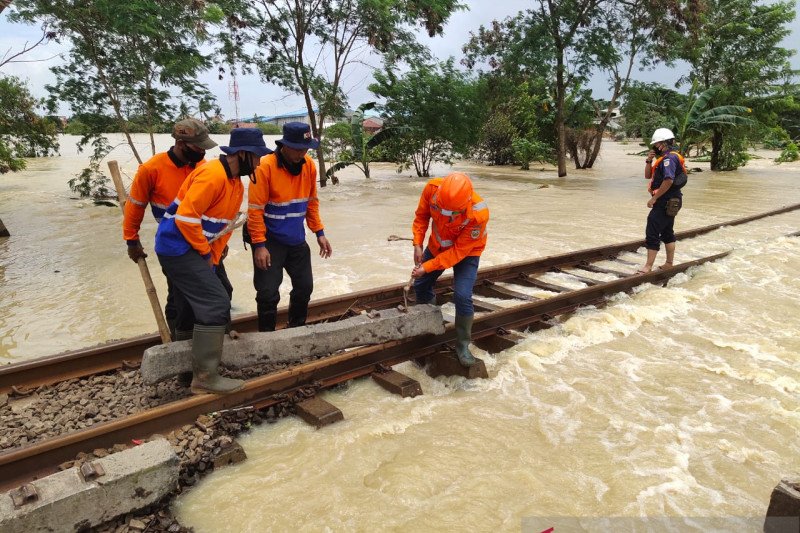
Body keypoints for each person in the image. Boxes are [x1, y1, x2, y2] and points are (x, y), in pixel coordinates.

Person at [154, 128, 271, 394]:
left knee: (187, 305)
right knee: (216, 302)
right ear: (242, 154)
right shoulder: (213, 175)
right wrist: (205, 255)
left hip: (189, 249)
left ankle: (186, 373)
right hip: (178, 247)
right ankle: (205, 378)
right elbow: (185, 218)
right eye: (256, 158)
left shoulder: (232, 183)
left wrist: (213, 259)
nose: (259, 163)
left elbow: (220, 229)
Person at [122, 118, 235, 339]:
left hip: (206, 243)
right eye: (198, 146)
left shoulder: (204, 168)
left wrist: (222, 243)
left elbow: (220, 209)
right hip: (176, 246)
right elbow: (135, 206)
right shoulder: (152, 170)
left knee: (223, 290)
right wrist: (131, 240)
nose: (203, 151)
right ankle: (180, 342)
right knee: (178, 297)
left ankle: (220, 337)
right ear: (181, 144)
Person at [246, 122, 333, 332]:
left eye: (305, 149)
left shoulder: (309, 166)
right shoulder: (264, 167)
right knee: (267, 293)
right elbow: (255, 211)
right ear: (284, 145)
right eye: (298, 149)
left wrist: (319, 232)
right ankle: (267, 336)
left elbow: (311, 202)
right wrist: (259, 245)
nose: (302, 153)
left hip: (295, 238)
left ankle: (296, 328)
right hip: (269, 241)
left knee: (305, 287)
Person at [411, 172, 489, 367]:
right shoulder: (432, 189)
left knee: (462, 296)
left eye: (451, 212)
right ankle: (430, 324)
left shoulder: (478, 214)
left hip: (467, 253)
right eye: (442, 210)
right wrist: (418, 243)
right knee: (421, 285)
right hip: (438, 246)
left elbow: (456, 254)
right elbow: (421, 217)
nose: (446, 215)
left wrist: (427, 266)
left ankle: (462, 345)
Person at [638, 127, 687, 274]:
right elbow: (648, 176)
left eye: (657, 143)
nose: (656, 146)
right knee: (667, 231)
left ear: (664, 143)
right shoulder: (664, 158)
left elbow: (668, 181)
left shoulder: (669, 159)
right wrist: (648, 160)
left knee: (652, 231)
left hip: (665, 200)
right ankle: (669, 263)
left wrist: (654, 198)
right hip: (672, 200)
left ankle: (647, 267)